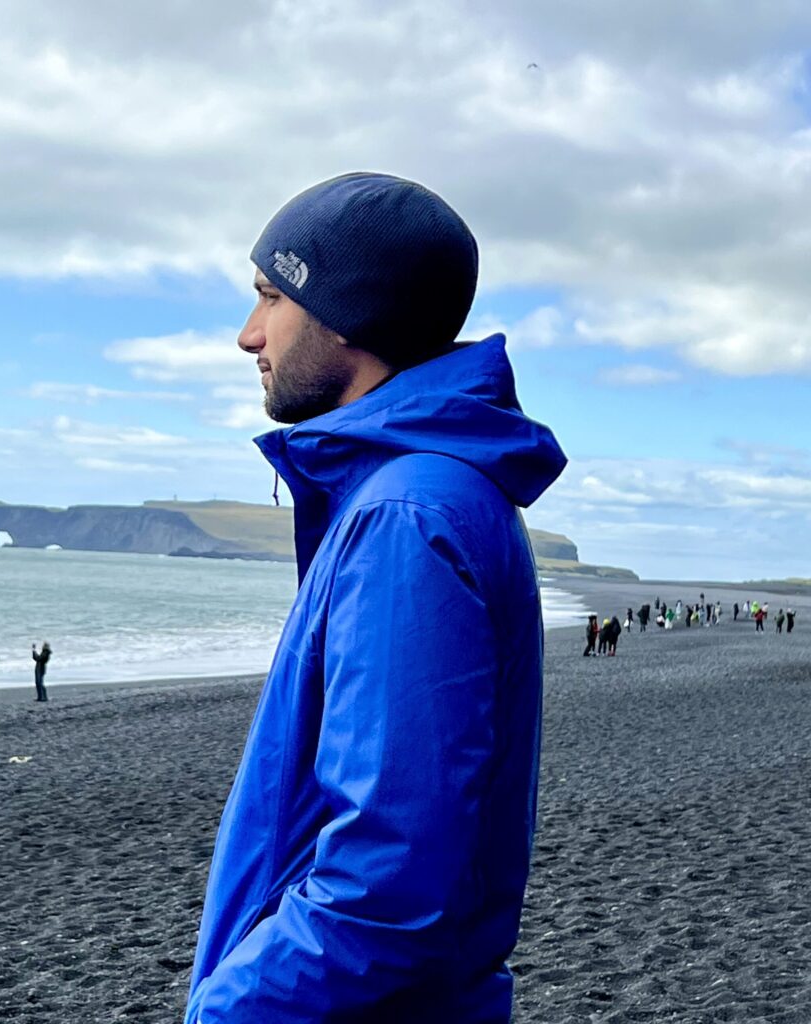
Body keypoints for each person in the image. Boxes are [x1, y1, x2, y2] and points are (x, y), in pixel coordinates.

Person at [185, 173, 567, 1024]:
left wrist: (229, 1012)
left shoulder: (407, 515)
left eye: (269, 298)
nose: (248, 336)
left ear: (346, 315)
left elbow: (389, 885)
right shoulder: (419, 495)